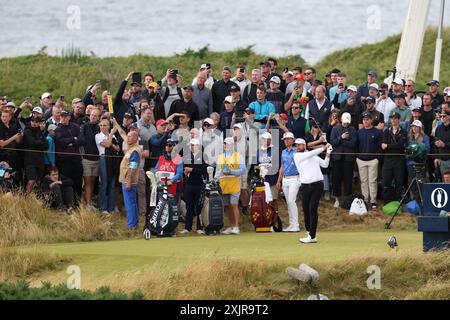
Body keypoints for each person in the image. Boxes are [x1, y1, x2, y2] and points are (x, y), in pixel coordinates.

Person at [293, 139, 332, 244]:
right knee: (306, 210)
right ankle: (309, 233)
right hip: (305, 186)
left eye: (300, 145)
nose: (297, 147)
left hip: (317, 185)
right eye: (296, 145)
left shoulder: (313, 156)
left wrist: (328, 153)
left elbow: (325, 164)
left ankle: (312, 236)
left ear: (304, 145)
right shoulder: (297, 156)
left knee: (312, 209)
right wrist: (324, 147)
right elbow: (312, 153)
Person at [54, 110, 85, 207]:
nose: (63, 118)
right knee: (67, 182)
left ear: (69, 117)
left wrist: (70, 142)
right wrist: (73, 139)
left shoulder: (75, 126)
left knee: (78, 183)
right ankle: (68, 204)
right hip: (64, 161)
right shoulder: (57, 129)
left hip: (76, 159)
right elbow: (60, 143)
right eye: (61, 116)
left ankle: (77, 204)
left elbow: (82, 140)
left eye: (65, 116)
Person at [216, 137, 246, 235]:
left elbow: (243, 170)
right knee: (227, 206)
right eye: (225, 144)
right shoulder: (220, 157)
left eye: (228, 144)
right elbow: (217, 171)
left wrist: (231, 171)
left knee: (234, 205)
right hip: (224, 184)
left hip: (234, 183)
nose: (226, 145)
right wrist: (215, 180)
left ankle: (236, 227)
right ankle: (231, 226)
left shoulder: (238, 156)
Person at [179, 138, 207, 235]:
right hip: (189, 185)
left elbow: (203, 169)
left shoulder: (203, 156)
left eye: (193, 145)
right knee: (189, 206)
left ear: (198, 146)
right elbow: (185, 168)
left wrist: (191, 169)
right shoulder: (187, 156)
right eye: (191, 145)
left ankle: (200, 227)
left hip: (199, 185)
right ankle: (188, 227)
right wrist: (186, 171)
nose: (192, 147)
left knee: (199, 206)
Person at [330, 112, 357, 208]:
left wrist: (342, 141)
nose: (346, 123)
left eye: (347, 122)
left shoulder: (353, 129)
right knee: (336, 178)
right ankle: (337, 199)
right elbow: (332, 142)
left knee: (348, 178)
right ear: (341, 120)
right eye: (345, 122)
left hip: (348, 159)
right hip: (337, 158)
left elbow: (353, 143)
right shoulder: (335, 129)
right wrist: (341, 138)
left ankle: (347, 199)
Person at [356, 112, 383, 209]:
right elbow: (356, 146)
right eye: (364, 119)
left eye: (367, 119)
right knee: (364, 181)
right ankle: (365, 200)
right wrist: (357, 157)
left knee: (372, 181)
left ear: (371, 120)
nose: (365, 121)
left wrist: (377, 158)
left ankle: (373, 201)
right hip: (361, 160)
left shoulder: (377, 132)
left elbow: (380, 146)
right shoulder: (359, 132)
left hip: (373, 160)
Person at [276, 132, 300, 232]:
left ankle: (296, 225)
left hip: (295, 178)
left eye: (288, 139)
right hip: (285, 179)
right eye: (285, 139)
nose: (286, 141)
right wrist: (279, 180)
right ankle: (291, 225)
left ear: (293, 140)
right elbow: (282, 167)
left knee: (291, 201)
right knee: (289, 203)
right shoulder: (283, 152)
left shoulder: (297, 150)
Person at [381, 111, 407, 202]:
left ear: (398, 120)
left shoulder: (403, 131)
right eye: (392, 118)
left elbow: (401, 145)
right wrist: (390, 146)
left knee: (399, 181)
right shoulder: (386, 131)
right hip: (388, 159)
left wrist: (388, 146)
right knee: (386, 180)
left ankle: (397, 201)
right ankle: (387, 201)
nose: (393, 120)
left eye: (395, 118)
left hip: (399, 159)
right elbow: (383, 146)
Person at [119, 130, 142, 229]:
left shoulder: (135, 151)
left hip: (129, 181)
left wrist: (128, 180)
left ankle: (132, 225)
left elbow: (133, 166)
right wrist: (115, 124)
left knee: (130, 204)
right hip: (127, 180)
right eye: (127, 136)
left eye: (130, 136)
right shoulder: (131, 148)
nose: (127, 138)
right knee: (131, 203)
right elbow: (122, 133)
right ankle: (134, 224)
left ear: (135, 138)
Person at [96, 119, 120, 213]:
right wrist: (111, 136)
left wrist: (110, 139)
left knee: (112, 184)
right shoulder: (98, 136)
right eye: (101, 125)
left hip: (113, 159)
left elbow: (118, 148)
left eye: (105, 125)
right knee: (104, 183)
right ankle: (103, 207)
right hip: (104, 159)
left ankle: (111, 207)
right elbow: (107, 144)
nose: (102, 127)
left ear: (108, 126)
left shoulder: (112, 135)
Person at [305, 122, 330, 200]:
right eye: (315, 127)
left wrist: (313, 146)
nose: (317, 129)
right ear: (312, 127)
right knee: (311, 172)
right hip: (311, 157)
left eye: (318, 128)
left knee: (324, 172)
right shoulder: (308, 134)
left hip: (320, 156)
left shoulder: (322, 134)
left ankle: (326, 191)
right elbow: (307, 145)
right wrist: (318, 141)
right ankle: (312, 191)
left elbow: (324, 146)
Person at [23, 117, 48, 193]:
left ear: (39, 123)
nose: (34, 123)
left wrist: (38, 143)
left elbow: (46, 146)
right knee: (31, 181)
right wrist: (40, 142)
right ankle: (25, 200)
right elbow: (32, 143)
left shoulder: (40, 132)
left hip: (40, 161)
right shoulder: (27, 131)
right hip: (30, 161)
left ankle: (33, 201)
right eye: (32, 121)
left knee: (38, 182)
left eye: (36, 121)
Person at [257, 132, 280, 214]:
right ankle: (266, 217)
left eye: (265, 139)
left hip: (273, 179)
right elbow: (257, 164)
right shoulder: (259, 151)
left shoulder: (275, 150)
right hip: (263, 180)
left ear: (270, 140)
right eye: (262, 139)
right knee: (264, 200)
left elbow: (276, 165)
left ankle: (275, 218)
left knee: (273, 199)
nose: (263, 141)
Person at [407, 120, 430, 198]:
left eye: (416, 126)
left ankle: (421, 200)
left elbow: (427, 149)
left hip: (420, 163)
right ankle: (415, 200)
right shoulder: (409, 137)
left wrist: (416, 148)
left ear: (420, 128)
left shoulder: (425, 137)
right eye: (413, 126)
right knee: (412, 182)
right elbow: (406, 149)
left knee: (420, 182)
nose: (414, 128)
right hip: (410, 163)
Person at [434, 110, 450, 178]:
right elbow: (435, 144)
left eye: (444, 116)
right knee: (443, 181)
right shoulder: (438, 128)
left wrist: (445, 145)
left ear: (449, 116)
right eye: (440, 116)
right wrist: (437, 157)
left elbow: (443, 144)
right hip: (441, 159)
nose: (442, 118)